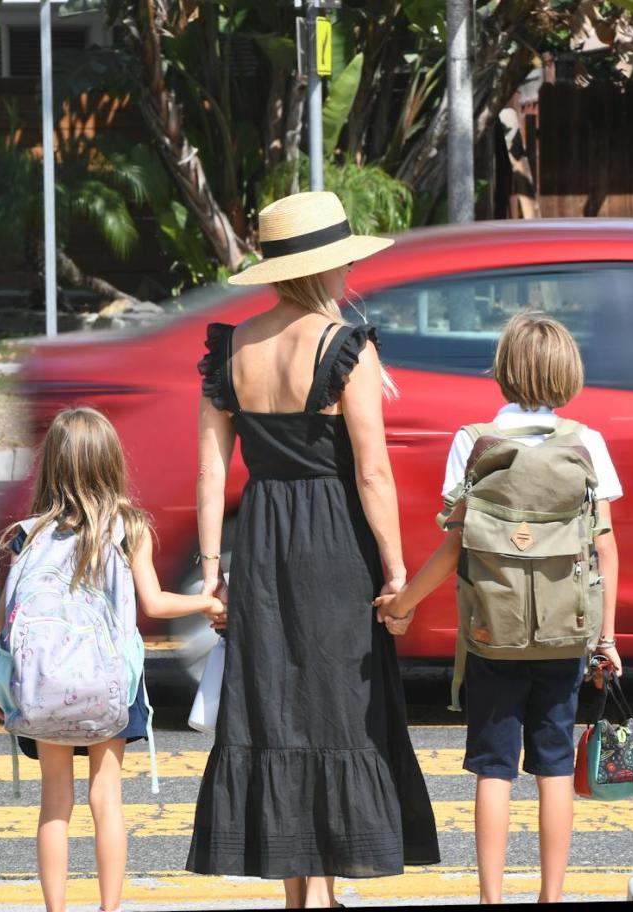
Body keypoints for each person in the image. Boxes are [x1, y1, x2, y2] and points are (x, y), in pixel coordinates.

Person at [187, 191, 440, 908]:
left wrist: (213, 574)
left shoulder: (230, 349)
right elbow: (371, 470)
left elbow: (211, 470)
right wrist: (395, 571)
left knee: (278, 707)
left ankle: (300, 893)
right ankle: (326, 890)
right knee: (336, 705)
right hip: (334, 540)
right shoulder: (344, 347)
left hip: (263, 540)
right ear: (331, 268)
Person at [374, 312, 624, 904]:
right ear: (569, 373)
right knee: (555, 763)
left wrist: (401, 602)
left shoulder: (475, 441)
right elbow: (606, 549)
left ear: (504, 373)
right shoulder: (586, 443)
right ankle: (551, 896)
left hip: (492, 632)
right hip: (567, 633)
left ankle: (491, 897)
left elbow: (454, 543)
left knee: (494, 767)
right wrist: (605, 639)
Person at [0, 406, 228, 912]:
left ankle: (56, 909)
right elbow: (156, 604)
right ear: (112, 463)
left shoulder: (27, 535)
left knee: (54, 804)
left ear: (50, 466)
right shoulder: (129, 527)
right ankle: (109, 908)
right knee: (106, 800)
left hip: (42, 686)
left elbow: (6, 621)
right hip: (108, 685)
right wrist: (208, 601)